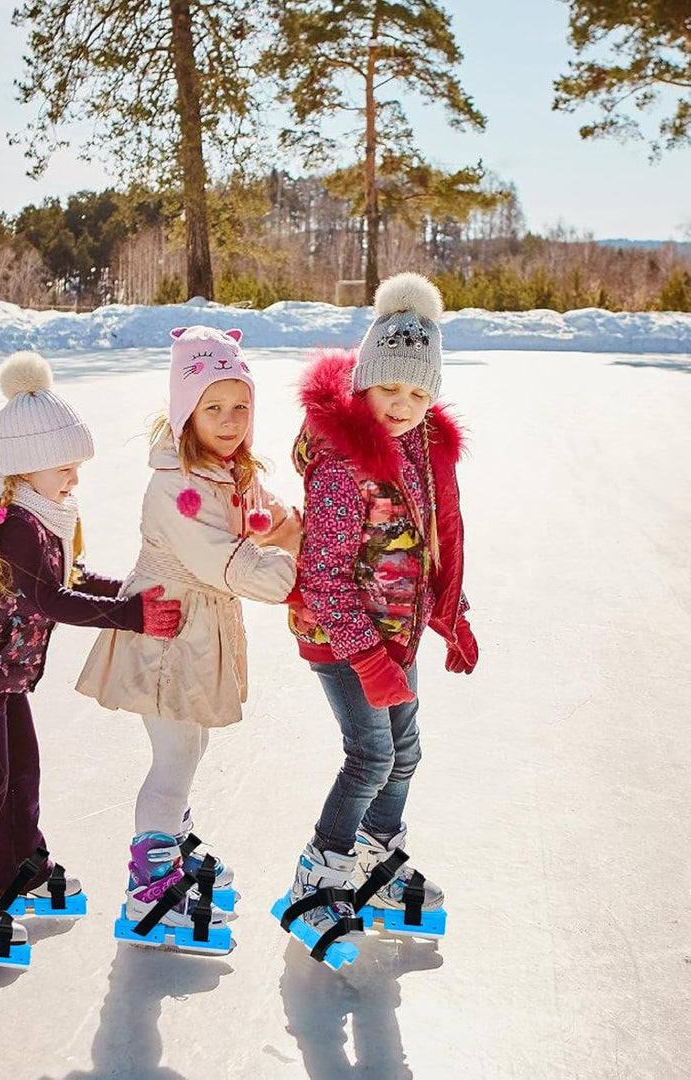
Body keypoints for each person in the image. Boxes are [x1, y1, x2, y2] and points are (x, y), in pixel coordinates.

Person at [0, 351, 181, 954]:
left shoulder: (42, 515)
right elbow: (51, 601)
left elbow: (72, 578)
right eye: (64, 466)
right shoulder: (12, 524)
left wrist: (130, 589)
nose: (74, 479)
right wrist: (137, 616)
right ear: (28, 464)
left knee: (20, 770)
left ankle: (19, 868)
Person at [77, 325, 299, 939]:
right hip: (167, 634)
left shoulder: (231, 471)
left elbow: (270, 519)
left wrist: (296, 532)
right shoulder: (176, 486)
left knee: (191, 747)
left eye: (241, 407)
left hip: (198, 633)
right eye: (213, 408)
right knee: (174, 756)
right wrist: (298, 575)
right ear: (186, 413)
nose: (229, 420)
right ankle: (149, 893)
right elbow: (223, 560)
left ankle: (172, 848)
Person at [284, 272, 477, 942]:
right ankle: (321, 873)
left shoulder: (418, 450)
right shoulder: (342, 464)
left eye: (418, 391)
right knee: (370, 754)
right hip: (342, 637)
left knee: (406, 750)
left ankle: (375, 859)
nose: (401, 403)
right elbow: (323, 576)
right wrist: (366, 658)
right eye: (390, 386)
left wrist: (452, 612)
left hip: (397, 631)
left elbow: (422, 540)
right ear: (365, 379)